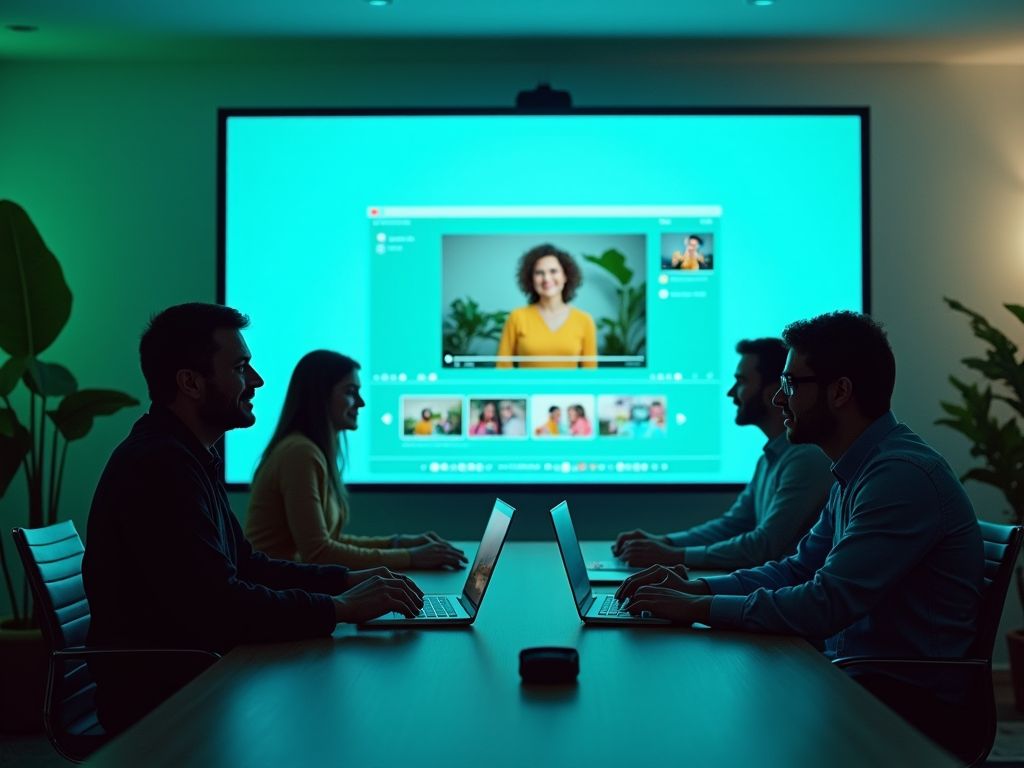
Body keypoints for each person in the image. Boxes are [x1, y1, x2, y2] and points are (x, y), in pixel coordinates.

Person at [616, 312, 984, 755]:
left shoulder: (899, 476)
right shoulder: (859, 469)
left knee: (712, 724)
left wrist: (699, 604)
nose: (779, 399)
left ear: (840, 391)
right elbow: (796, 568)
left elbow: (824, 604)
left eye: (791, 384)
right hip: (857, 674)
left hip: (908, 703)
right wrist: (695, 587)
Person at [82, 304, 424, 735]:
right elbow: (218, 606)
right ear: (190, 382)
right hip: (172, 698)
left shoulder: (186, 455)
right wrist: (341, 608)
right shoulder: (161, 465)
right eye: (241, 367)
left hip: (200, 673)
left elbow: (247, 565)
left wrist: (345, 582)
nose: (258, 380)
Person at [614, 338, 833, 569]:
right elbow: (734, 524)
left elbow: (763, 546)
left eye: (740, 381)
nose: (731, 393)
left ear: (771, 392)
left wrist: (674, 556)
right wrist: (664, 542)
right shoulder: (772, 457)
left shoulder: (805, 458)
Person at [246, 351, 467, 570]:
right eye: (351, 392)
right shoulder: (299, 453)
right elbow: (319, 553)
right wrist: (410, 557)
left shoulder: (308, 450)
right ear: (319, 396)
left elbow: (329, 542)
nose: (360, 403)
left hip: (288, 589)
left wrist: (397, 543)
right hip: (274, 596)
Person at [497, 244, 597, 369]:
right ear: (531, 279)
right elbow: (503, 367)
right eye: (539, 273)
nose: (547, 278)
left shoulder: (584, 320)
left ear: (565, 276)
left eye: (553, 271)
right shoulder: (517, 317)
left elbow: (590, 373)